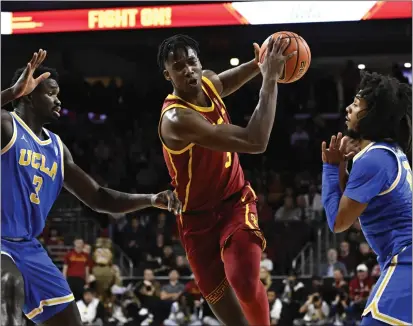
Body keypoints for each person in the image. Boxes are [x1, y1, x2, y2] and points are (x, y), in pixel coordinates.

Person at [1, 50, 182, 326]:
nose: (58, 99)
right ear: (27, 95)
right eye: (50, 93)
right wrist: (10, 93)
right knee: (9, 284)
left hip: (28, 247)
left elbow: (99, 197)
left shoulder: (57, 149)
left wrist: (151, 198)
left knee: (69, 320)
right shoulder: (7, 125)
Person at [157, 33, 296, 326]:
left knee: (244, 281)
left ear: (199, 62)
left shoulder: (206, 82)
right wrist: (269, 79)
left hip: (234, 202)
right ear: (167, 74)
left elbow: (223, 82)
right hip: (196, 222)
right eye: (178, 66)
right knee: (234, 321)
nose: (188, 70)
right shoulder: (176, 119)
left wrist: (257, 64)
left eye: (191, 62)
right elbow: (255, 140)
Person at [321, 70, 412, 325]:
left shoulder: (375, 158)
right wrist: (340, 169)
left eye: (356, 103)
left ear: (372, 114)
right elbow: (346, 206)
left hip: (407, 260)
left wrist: (330, 168)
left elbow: (339, 222)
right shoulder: (387, 152)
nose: (348, 108)